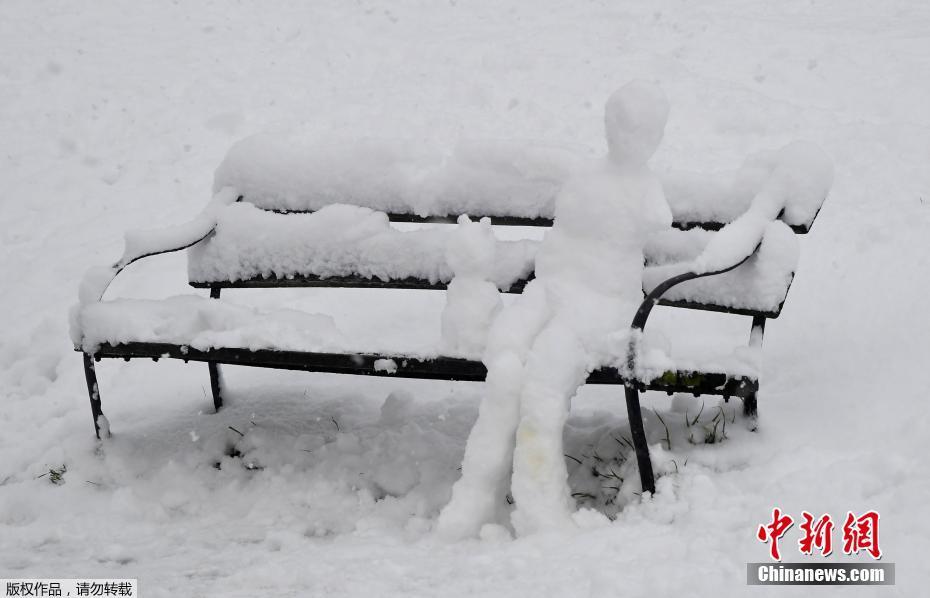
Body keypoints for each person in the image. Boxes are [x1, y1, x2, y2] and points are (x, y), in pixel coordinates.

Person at [437, 81, 674, 538]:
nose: (629, 138)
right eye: (622, 126)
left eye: (643, 130)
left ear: (655, 137)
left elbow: (656, 219)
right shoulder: (587, 178)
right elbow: (561, 234)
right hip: (553, 289)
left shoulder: (645, 191)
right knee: (506, 365)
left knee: (543, 382)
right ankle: (475, 494)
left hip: (601, 306)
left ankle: (539, 502)